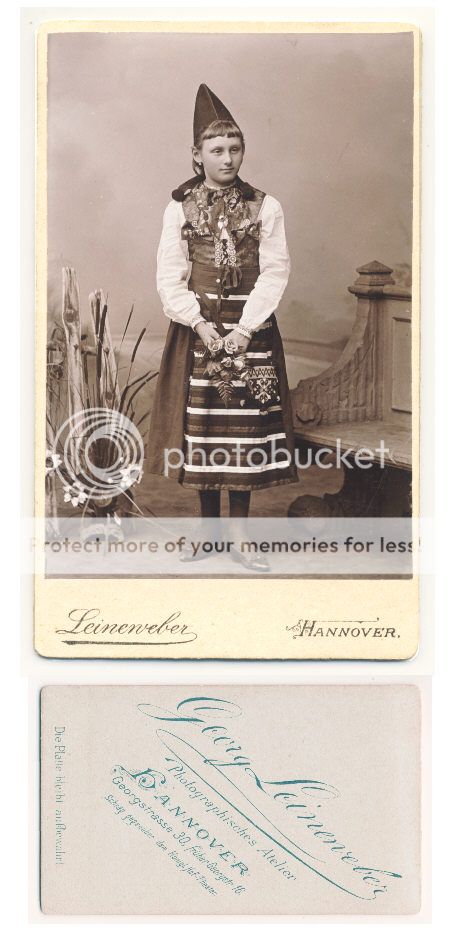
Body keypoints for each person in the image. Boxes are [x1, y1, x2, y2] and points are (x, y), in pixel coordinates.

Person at [147, 84, 297, 570]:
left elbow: (275, 271)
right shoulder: (180, 208)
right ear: (197, 155)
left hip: (248, 330)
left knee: (245, 430)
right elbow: (170, 274)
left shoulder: (264, 206)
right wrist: (199, 324)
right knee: (204, 428)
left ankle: (240, 534)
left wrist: (244, 330)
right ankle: (208, 532)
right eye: (217, 150)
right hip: (202, 332)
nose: (228, 158)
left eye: (235, 149)